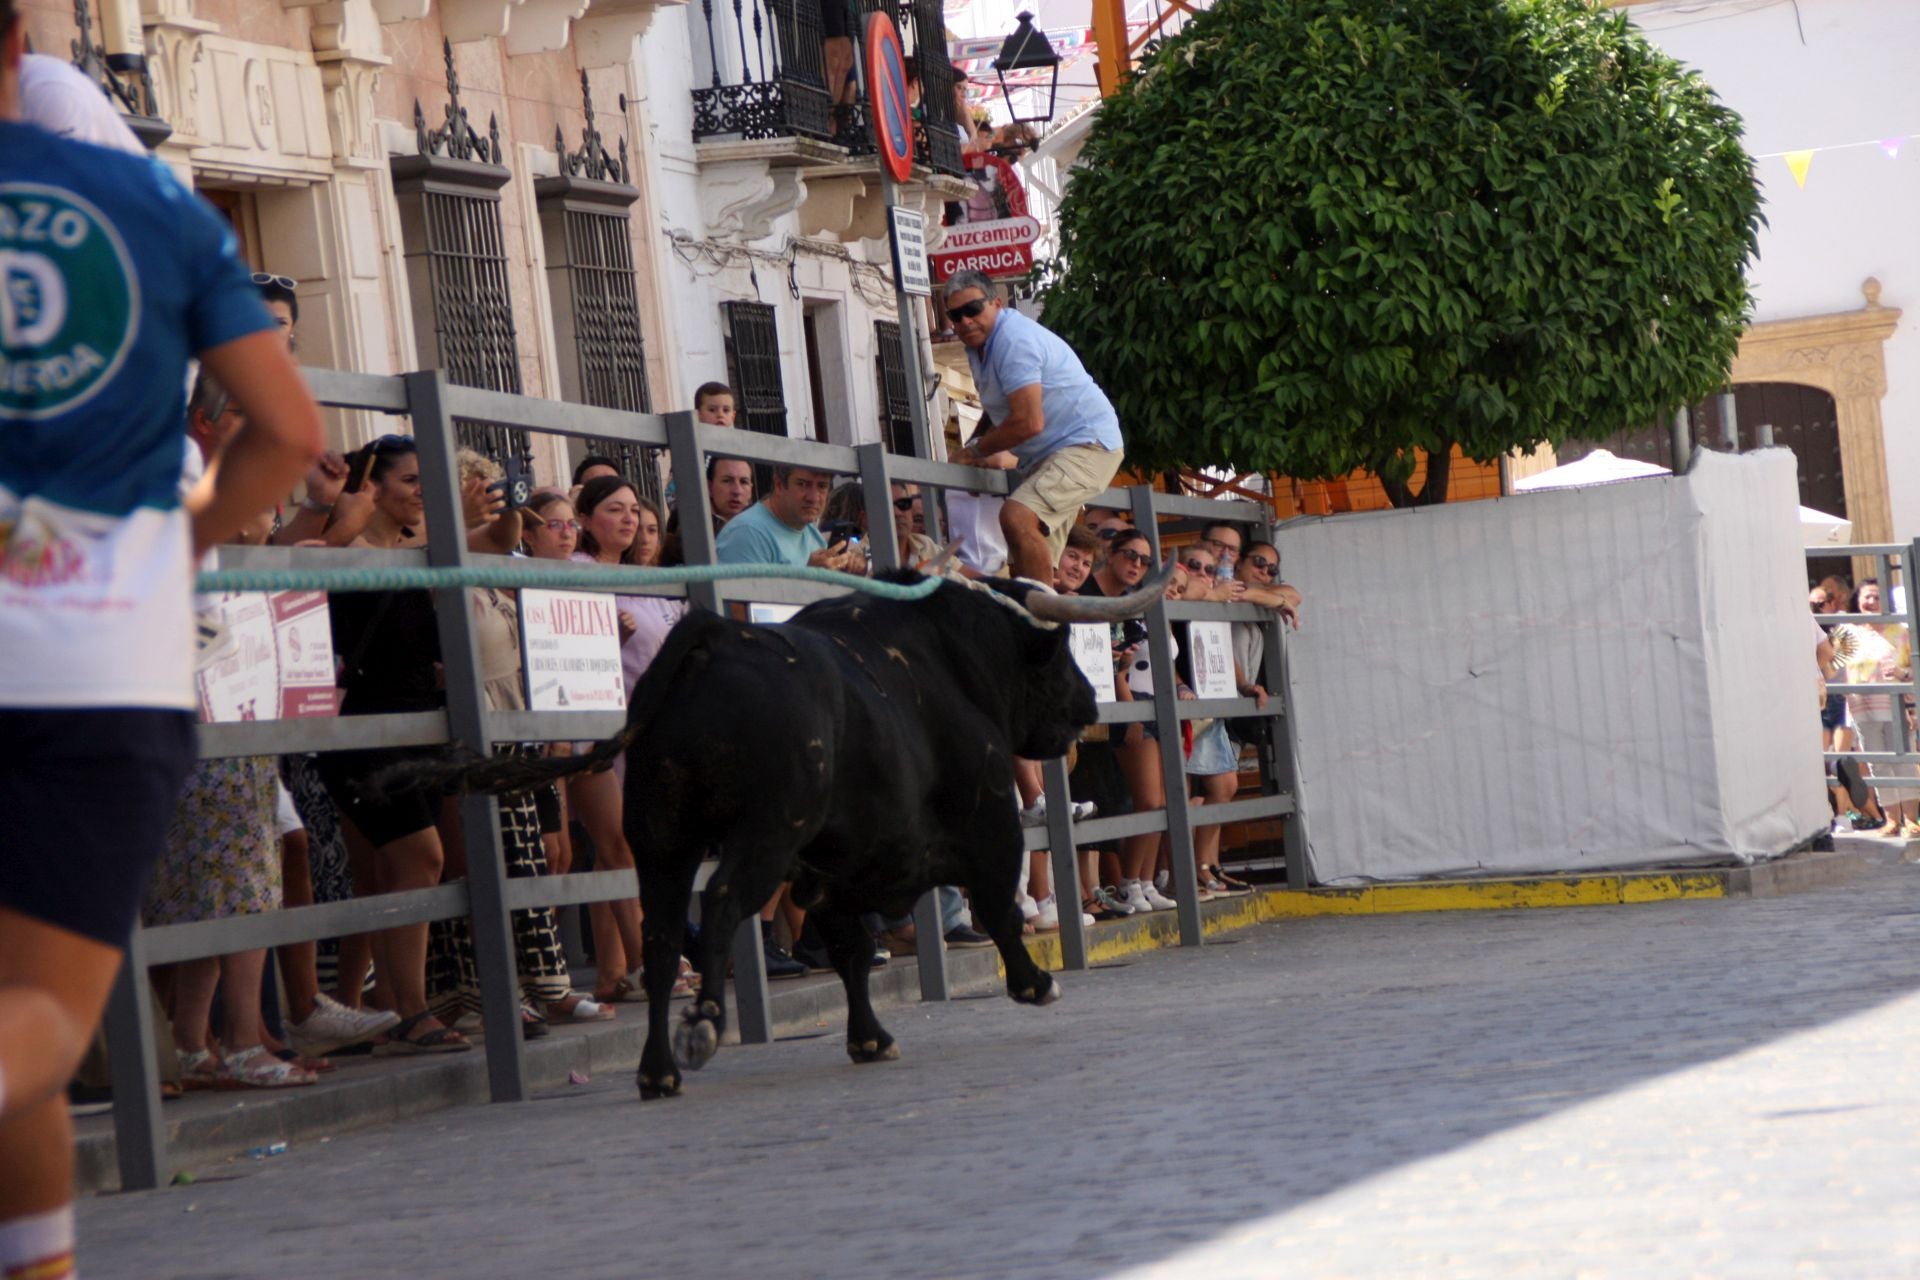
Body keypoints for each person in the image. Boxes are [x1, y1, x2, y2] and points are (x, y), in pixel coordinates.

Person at [0, 20, 324, 1273]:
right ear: (19, 38)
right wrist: (177, 544)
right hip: (98, 656)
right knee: (38, 1013)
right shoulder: (155, 207)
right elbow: (289, 432)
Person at [947, 269, 1126, 584]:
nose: (965, 321)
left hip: (1086, 445)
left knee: (1017, 517)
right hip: (1052, 455)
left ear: (996, 304)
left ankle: (1040, 611)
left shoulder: (1013, 340)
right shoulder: (980, 346)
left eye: (972, 309)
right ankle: (1042, 607)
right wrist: (972, 450)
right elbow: (999, 410)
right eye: (955, 315)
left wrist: (974, 452)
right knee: (1022, 558)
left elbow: (1028, 422)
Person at [565, 477, 658, 1000]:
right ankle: (646, 958)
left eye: (633, 510)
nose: (628, 519)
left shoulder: (636, 574)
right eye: (614, 509)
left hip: (636, 725)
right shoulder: (579, 571)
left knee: (611, 850)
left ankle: (611, 971)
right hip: (596, 724)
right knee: (617, 842)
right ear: (584, 519)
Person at [715, 464, 863, 572]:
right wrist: (810, 577)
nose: (813, 497)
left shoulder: (810, 533)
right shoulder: (746, 533)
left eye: (822, 486)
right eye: (803, 484)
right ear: (779, 485)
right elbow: (742, 604)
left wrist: (851, 574)